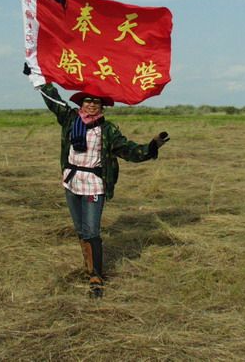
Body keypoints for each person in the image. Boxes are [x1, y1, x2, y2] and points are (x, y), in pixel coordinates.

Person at [30, 77, 170, 298]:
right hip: (71, 181)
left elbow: (128, 150)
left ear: (102, 106)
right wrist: (39, 78)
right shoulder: (69, 119)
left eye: (96, 102)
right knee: (80, 229)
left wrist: (151, 147)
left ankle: (96, 276)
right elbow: (53, 100)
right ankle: (88, 265)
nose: (92, 104)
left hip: (94, 184)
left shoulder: (108, 130)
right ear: (81, 103)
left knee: (92, 230)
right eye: (88, 101)